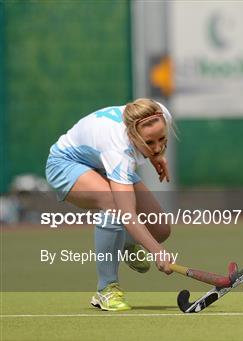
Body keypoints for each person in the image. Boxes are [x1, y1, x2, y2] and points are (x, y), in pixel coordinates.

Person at [45, 98, 177, 311]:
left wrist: (155, 154)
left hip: (100, 161)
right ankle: (106, 289)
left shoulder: (160, 113)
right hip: (66, 164)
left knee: (160, 228)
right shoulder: (118, 150)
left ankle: (123, 242)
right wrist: (156, 252)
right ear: (133, 136)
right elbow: (127, 213)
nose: (157, 147)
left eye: (161, 140)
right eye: (149, 143)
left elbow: (154, 139)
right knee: (113, 204)